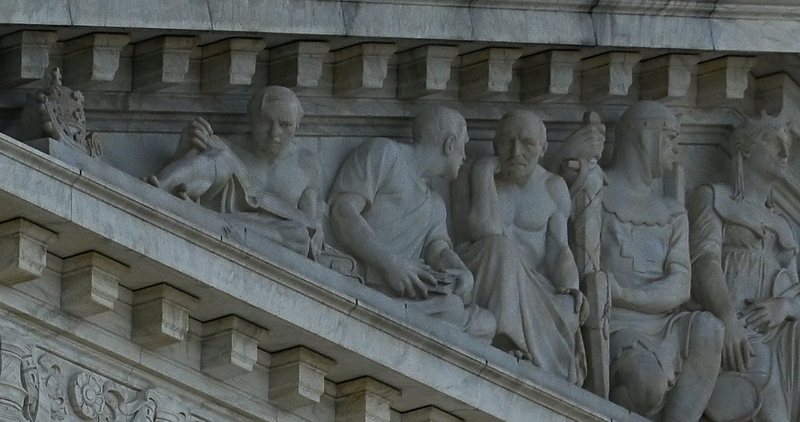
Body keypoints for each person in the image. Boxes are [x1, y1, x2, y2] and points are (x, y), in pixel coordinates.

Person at [688, 112, 800, 422]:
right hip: (730, 323)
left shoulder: (784, 226)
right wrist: (725, 320)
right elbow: (703, 261)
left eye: (788, 145)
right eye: (775, 141)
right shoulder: (714, 198)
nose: (786, 152)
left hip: (772, 331)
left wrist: (783, 307)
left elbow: (799, 301)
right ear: (747, 149)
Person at [592, 100, 731, 422]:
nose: (676, 150)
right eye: (669, 138)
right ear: (644, 136)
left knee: (710, 329)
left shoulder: (672, 212)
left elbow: (682, 285)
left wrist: (626, 293)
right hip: (617, 325)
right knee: (648, 387)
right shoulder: (595, 192)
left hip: (661, 321)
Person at [325, 102, 483, 322]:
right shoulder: (384, 154)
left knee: (479, 321)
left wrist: (461, 271)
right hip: (359, 280)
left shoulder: (435, 204)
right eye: (463, 146)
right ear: (450, 144)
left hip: (405, 297)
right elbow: (343, 212)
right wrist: (390, 264)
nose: (465, 155)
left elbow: (437, 250)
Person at [454, 109, 583, 377]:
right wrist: (483, 171)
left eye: (527, 143)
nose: (516, 152)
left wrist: (570, 286)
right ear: (494, 145)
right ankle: (505, 341)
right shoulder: (470, 175)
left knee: (567, 308)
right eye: (507, 142)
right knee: (500, 246)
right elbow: (482, 229)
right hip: (485, 276)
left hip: (535, 287)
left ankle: (525, 348)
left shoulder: (553, 187)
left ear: (543, 148)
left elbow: (559, 248)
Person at [153, 83, 327, 258]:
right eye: (266, 122)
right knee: (220, 158)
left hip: (259, 231)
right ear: (251, 119)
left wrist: (316, 231)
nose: (275, 133)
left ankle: (212, 221)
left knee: (299, 235)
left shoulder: (307, 164)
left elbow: (310, 226)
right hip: (217, 202)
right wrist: (183, 151)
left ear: (297, 127)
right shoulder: (227, 147)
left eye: (285, 124)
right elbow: (196, 169)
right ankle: (160, 187)